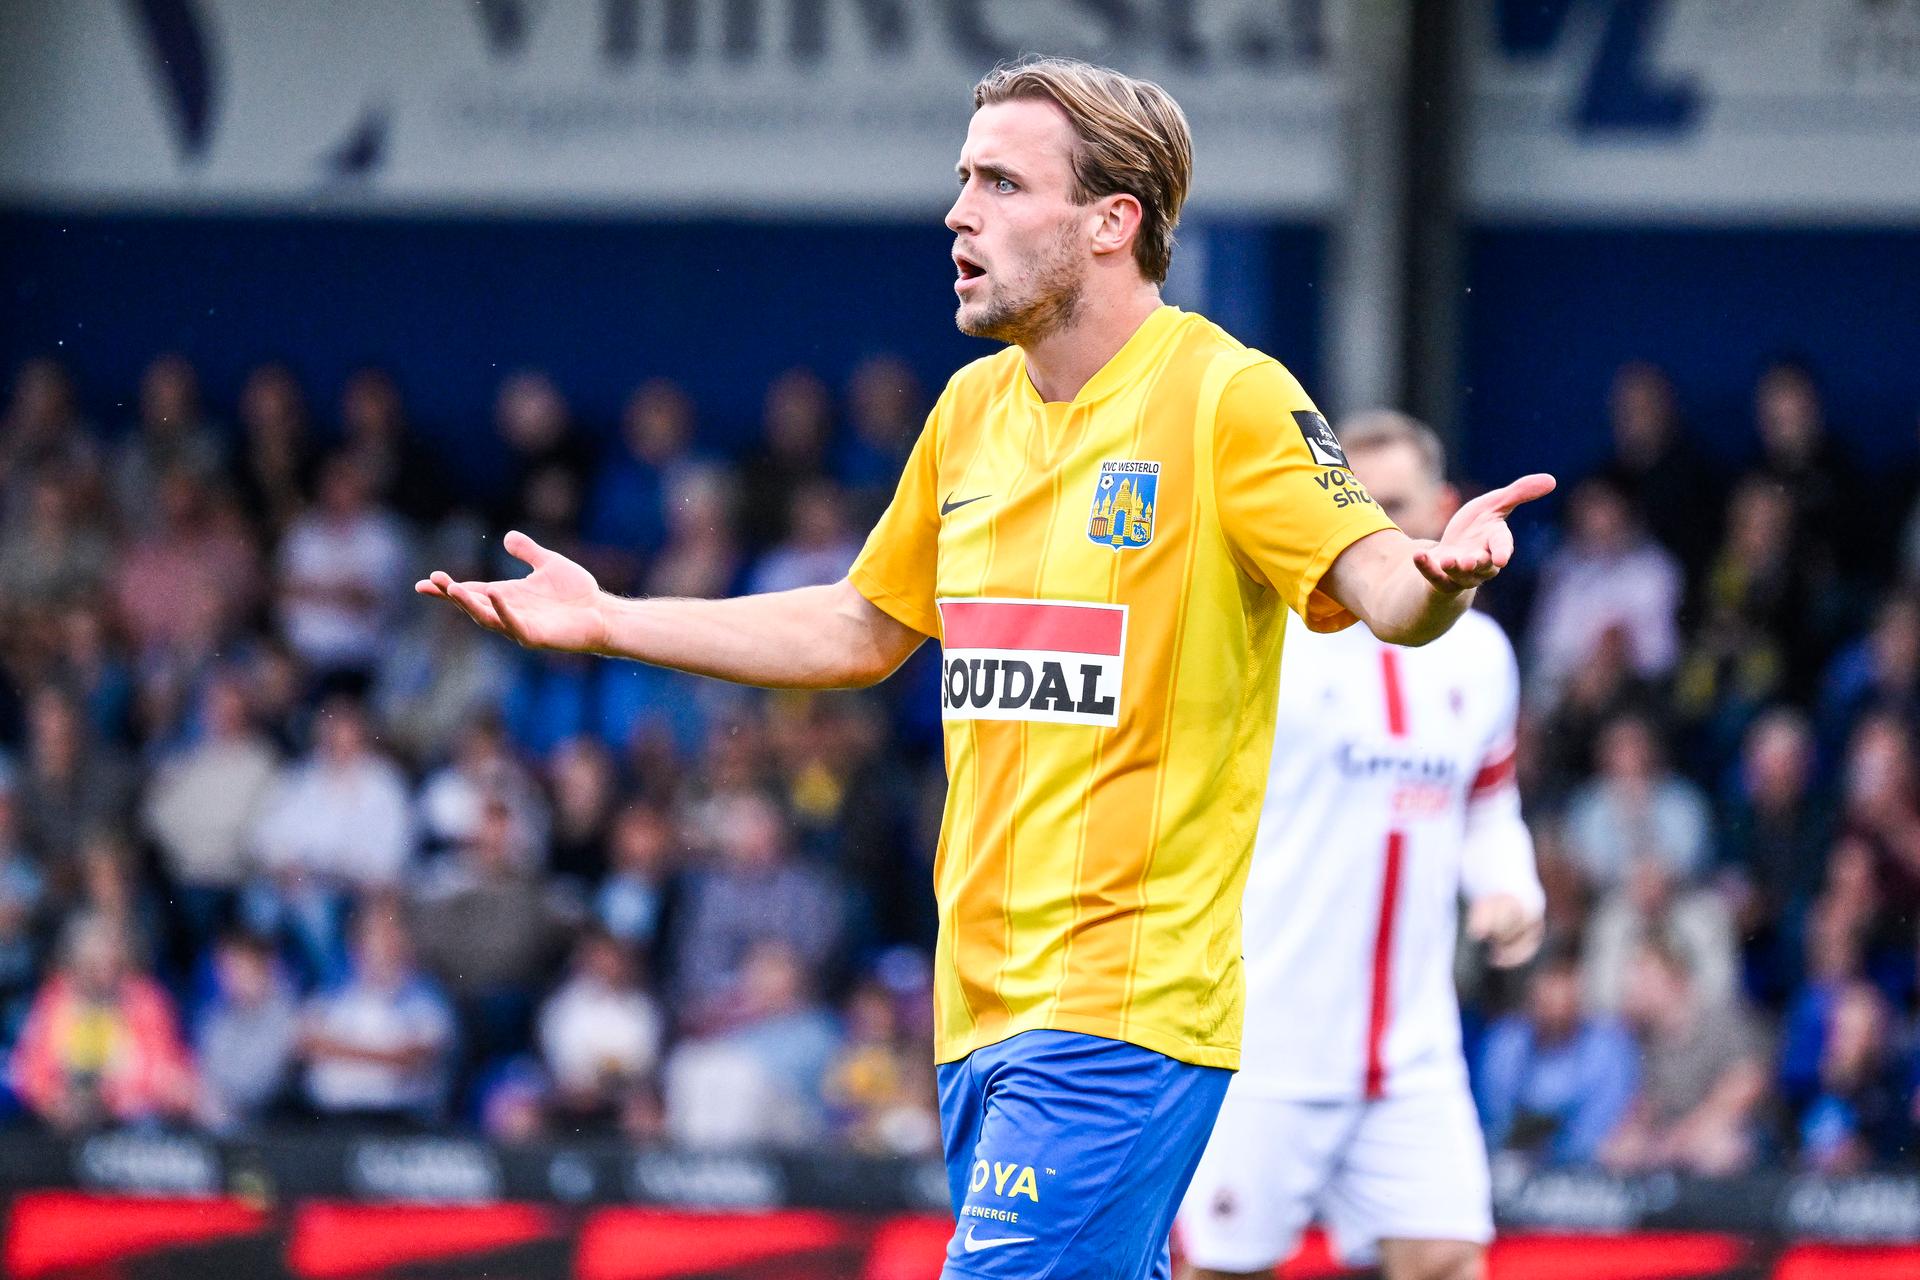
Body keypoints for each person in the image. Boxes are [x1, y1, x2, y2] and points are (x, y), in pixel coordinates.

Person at [419, 56, 1551, 1280]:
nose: (958, 212)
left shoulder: (1226, 398)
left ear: (1113, 221)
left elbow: (1379, 582)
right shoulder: (970, 412)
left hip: (1121, 1010)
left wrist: (1441, 578)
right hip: (981, 1011)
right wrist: (611, 620)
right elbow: (861, 626)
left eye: (1002, 183)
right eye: (964, 179)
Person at [1174, 412, 1545, 1280]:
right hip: (1266, 1046)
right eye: (1352, 506)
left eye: (1397, 505)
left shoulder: (1483, 655)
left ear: (1449, 505)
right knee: (1223, 1270)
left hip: (1413, 1051)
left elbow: (1491, 808)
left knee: (1450, 1260)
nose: (1373, 529)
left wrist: (1510, 895)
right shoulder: (1271, 635)